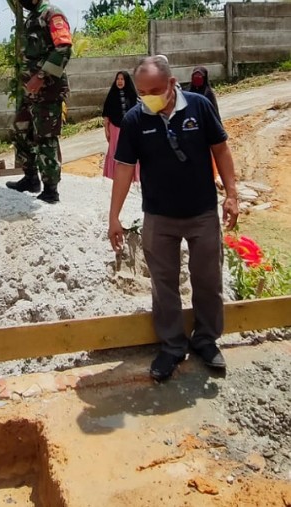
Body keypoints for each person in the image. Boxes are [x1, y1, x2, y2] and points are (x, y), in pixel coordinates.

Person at [107, 56, 239, 382]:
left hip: (202, 213)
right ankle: (172, 346)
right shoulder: (136, 119)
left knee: (207, 279)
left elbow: (221, 149)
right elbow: (124, 169)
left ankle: (206, 340)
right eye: (142, 91)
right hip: (159, 217)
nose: (148, 96)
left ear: (170, 83)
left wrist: (232, 194)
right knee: (163, 285)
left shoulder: (198, 106)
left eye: (154, 89)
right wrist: (114, 217)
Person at [5, 0, 72, 203]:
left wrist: (41, 76)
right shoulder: (32, 18)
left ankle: (51, 190)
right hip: (29, 92)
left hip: (47, 91)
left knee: (45, 137)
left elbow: (63, 48)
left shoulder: (52, 14)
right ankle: (30, 178)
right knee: (21, 130)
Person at [101, 71, 139, 181]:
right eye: (118, 79)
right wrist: (107, 130)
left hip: (129, 129)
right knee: (115, 151)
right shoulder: (111, 95)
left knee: (130, 151)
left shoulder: (132, 95)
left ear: (126, 81)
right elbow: (106, 115)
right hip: (115, 128)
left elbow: (136, 113)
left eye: (122, 79)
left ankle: (132, 177)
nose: (120, 81)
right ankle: (114, 176)